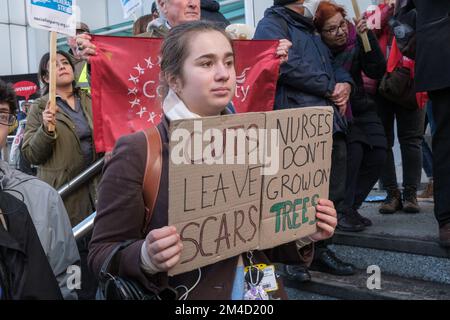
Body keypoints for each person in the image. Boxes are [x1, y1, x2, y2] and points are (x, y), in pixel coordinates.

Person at [88, 21, 337, 300]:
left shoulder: (252, 139)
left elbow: (264, 240)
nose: (223, 74)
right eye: (206, 64)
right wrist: (146, 256)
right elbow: (100, 253)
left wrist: (305, 230)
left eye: (228, 63)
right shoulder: (138, 150)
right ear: (173, 79)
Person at [254, 0, 356, 279]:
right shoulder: (272, 24)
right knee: (297, 194)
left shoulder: (310, 27)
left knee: (331, 192)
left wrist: (345, 83)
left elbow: (334, 63)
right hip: (298, 124)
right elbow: (279, 64)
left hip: (329, 121)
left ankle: (321, 250)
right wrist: (328, 86)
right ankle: (294, 259)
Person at [0, 79, 80, 299]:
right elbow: (33, 152)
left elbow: (69, 273)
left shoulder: (44, 198)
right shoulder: (40, 110)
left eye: (2, 115)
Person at [314, 2, 387, 231]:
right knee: (354, 154)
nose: (341, 32)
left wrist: (369, 41)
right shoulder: (318, 50)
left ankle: (351, 206)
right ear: (320, 33)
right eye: (332, 29)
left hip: (361, 105)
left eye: (342, 24)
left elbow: (376, 70)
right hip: (338, 110)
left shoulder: (357, 39)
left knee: (379, 153)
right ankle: (343, 210)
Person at [22, 50, 99, 227]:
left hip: (97, 187)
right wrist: (45, 130)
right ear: (46, 78)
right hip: (66, 193)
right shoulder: (40, 107)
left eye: (65, 62)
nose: (62, 66)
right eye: (54, 65)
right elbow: (31, 155)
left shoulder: (89, 99)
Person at [396, 0, 450, 247]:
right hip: (442, 55)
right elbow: (402, 18)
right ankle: (447, 218)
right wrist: (427, 41)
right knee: (446, 143)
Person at [66, 22, 91, 92]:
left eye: (80, 34)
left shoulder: (99, 57)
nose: (76, 37)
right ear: (67, 41)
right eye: (72, 34)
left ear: (88, 37)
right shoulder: (63, 62)